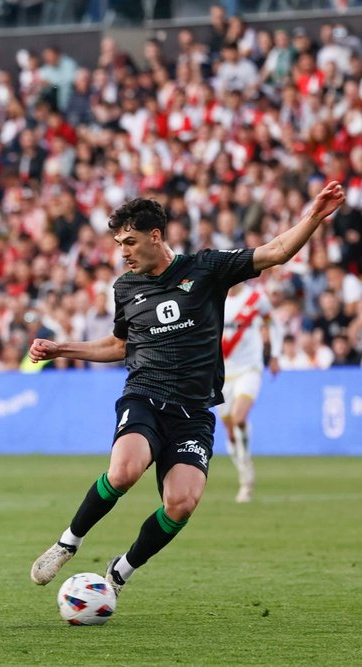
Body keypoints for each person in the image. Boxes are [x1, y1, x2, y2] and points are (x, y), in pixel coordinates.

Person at [27, 182, 345, 598]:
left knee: (181, 504)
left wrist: (314, 216)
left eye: (130, 241)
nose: (123, 251)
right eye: (118, 242)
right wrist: (61, 348)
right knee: (123, 471)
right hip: (145, 394)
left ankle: (120, 572)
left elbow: (276, 251)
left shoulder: (207, 269)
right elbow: (121, 345)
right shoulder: (125, 287)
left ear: (155, 236)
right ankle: (68, 541)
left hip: (194, 412)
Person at [219, 281, 278, 503]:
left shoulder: (255, 298)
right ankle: (243, 468)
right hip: (222, 373)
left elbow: (274, 323)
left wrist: (275, 354)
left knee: (239, 417)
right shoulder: (214, 296)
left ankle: (246, 480)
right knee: (230, 431)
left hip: (249, 368)